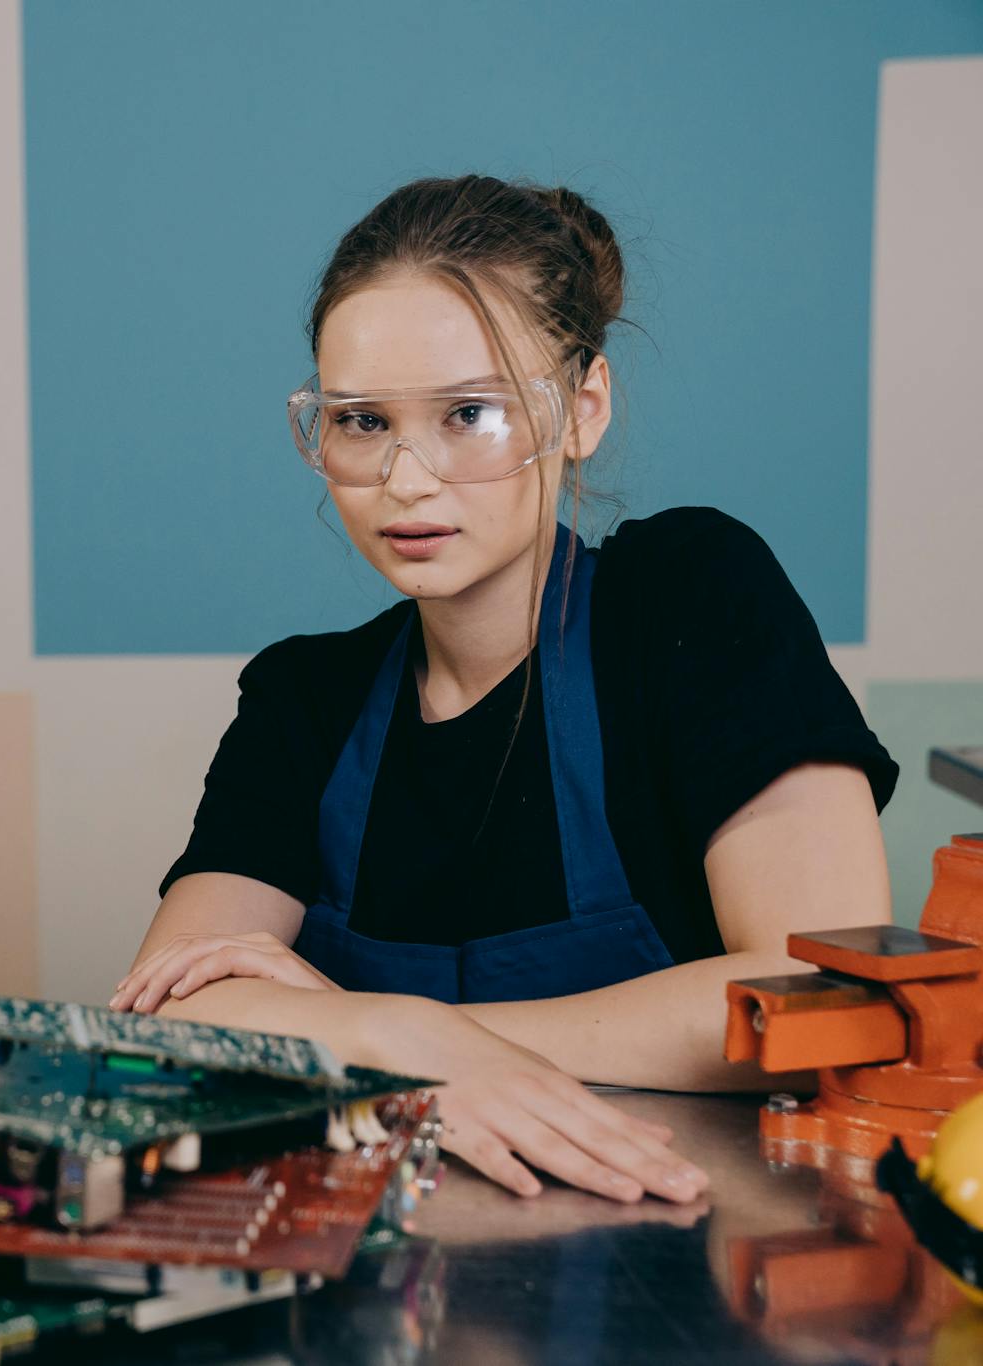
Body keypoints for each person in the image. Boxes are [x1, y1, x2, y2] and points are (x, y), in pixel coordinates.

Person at [111, 176, 896, 1203]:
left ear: (580, 410)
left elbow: (817, 993)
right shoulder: (303, 698)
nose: (404, 478)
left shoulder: (692, 602)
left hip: (686, 1249)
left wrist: (410, 1041)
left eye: (467, 414)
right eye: (358, 421)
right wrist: (396, 1036)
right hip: (380, 1272)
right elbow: (167, 1013)